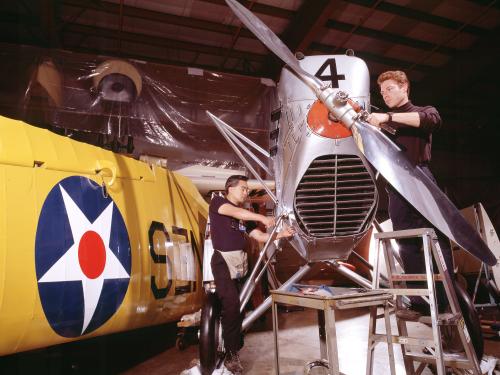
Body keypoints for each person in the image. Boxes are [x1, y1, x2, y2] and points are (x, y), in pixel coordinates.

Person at [367, 70, 455, 319]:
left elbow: (431, 120)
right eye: (382, 92)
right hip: (396, 185)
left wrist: (387, 117)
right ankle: (420, 300)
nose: (385, 95)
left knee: (436, 236)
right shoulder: (382, 124)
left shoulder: (422, 111)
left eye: (390, 89)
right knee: (406, 242)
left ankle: (446, 295)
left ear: (405, 87)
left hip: (419, 177)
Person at [209, 175, 295, 374]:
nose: (247, 192)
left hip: (240, 263)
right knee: (231, 304)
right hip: (223, 261)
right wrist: (262, 217)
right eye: (243, 188)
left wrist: (281, 234)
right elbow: (236, 212)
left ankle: (232, 347)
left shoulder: (243, 216)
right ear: (230, 188)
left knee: (238, 307)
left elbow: (259, 236)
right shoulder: (218, 203)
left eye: (247, 189)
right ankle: (231, 355)